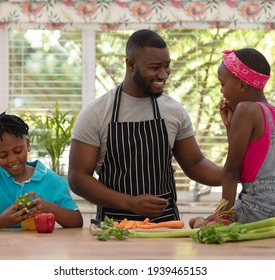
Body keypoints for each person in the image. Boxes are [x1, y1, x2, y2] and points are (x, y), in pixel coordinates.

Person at [68, 29, 222, 223]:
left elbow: (195, 164)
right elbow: (78, 178)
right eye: (155, 67)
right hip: (114, 231)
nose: (164, 74)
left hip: (166, 229)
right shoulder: (96, 114)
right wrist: (130, 202)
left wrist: (234, 175)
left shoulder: (173, 111)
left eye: (167, 66)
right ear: (130, 64)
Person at [190, 48, 275, 227]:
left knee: (203, 223)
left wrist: (223, 218)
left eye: (222, 84)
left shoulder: (245, 109)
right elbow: (250, 165)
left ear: (242, 86)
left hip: (263, 206)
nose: (221, 91)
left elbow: (232, 171)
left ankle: (222, 219)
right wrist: (230, 126)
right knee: (205, 220)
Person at [0, 112, 83, 230]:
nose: (12, 159)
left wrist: (48, 207)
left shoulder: (52, 180)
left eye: (17, 151)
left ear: (27, 144)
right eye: (3, 155)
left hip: (38, 250)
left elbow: (76, 221)